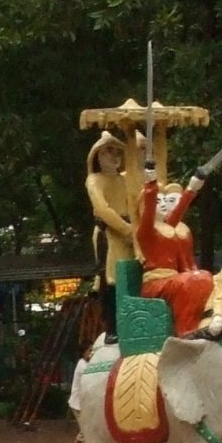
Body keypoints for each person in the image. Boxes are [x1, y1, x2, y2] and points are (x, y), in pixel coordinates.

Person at [136, 164, 213, 336]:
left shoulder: (169, 227)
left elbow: (179, 210)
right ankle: (186, 330)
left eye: (164, 200)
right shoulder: (146, 232)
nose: (163, 204)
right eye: (158, 201)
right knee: (186, 282)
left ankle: (206, 319)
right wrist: (151, 184)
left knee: (205, 277)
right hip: (156, 284)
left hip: (174, 280)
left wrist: (193, 187)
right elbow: (149, 208)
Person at [86, 131, 134, 343]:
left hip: (131, 236)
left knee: (133, 275)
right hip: (109, 234)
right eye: (108, 151)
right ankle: (112, 328)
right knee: (110, 279)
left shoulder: (126, 179)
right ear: (97, 156)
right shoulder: (94, 180)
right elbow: (102, 209)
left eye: (116, 151)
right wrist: (127, 230)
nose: (113, 155)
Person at [65, 343, 93, 443]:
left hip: (81, 402)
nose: (91, 353)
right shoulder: (83, 365)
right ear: (83, 353)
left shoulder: (85, 364)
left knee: (86, 428)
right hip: (78, 403)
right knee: (87, 428)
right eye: (89, 350)